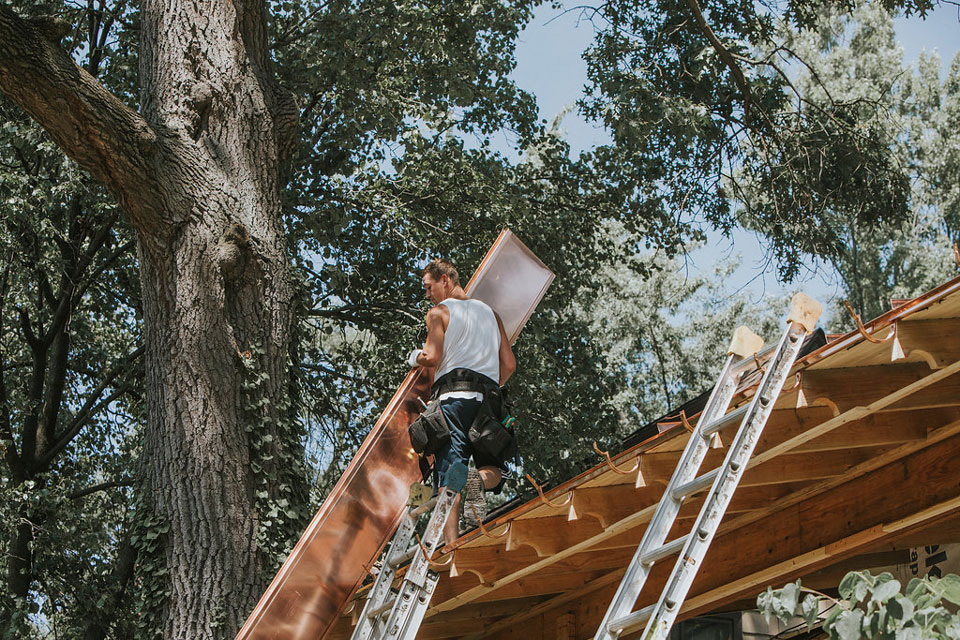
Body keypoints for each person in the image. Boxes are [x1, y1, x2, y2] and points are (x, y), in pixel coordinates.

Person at [408, 259, 516, 544]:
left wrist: (412, 357)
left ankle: (452, 546)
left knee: (448, 477)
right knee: (497, 467)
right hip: (488, 403)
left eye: (429, 287)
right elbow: (509, 364)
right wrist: (491, 387)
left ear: (445, 279)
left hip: (452, 402)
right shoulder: (492, 315)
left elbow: (432, 357)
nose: (428, 295)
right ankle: (478, 480)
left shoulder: (439, 312)